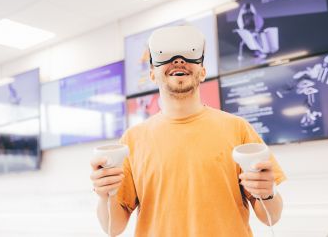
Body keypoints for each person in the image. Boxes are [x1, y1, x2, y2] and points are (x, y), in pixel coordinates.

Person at [90, 25, 286, 237]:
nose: (178, 61)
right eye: (165, 57)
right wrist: (104, 195)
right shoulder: (132, 140)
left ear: (202, 72)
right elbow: (114, 227)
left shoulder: (238, 129)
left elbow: (270, 217)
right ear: (152, 75)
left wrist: (267, 194)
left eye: (188, 56)